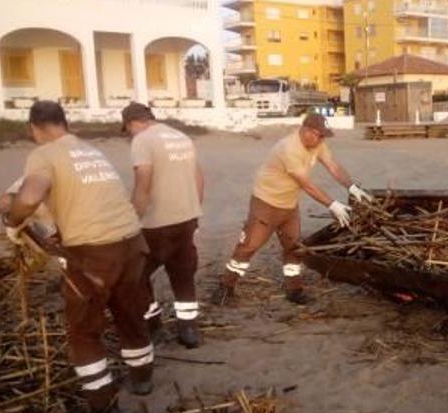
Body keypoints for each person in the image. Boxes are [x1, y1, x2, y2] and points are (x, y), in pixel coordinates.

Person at [5, 101, 154, 413]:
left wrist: (12, 221)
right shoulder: (88, 150)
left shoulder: (44, 154)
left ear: (36, 128)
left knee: (84, 331)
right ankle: (143, 379)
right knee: (129, 312)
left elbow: (29, 198)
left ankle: (103, 407)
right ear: (64, 122)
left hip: (93, 253)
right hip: (131, 243)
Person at [211, 113, 371, 306]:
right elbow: (306, 184)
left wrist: (351, 187)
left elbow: (333, 166)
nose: (322, 140)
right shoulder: (289, 148)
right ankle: (226, 285)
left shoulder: (317, 144)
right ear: (306, 131)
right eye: (319, 135)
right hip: (266, 203)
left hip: (289, 204)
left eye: (323, 136)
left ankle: (294, 289)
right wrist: (332, 204)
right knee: (250, 246)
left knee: (293, 247)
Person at [121, 103, 205, 349]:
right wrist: (194, 212)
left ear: (131, 123)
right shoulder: (181, 137)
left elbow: (143, 182)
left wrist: (131, 220)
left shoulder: (142, 141)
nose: (129, 136)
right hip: (187, 219)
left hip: (156, 225)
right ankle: (188, 330)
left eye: (127, 131)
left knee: (136, 276)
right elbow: (198, 177)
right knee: (183, 275)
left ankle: (153, 325)